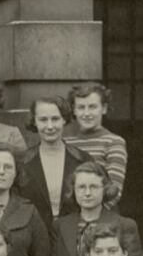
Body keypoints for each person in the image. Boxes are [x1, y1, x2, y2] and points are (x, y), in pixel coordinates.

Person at [20, 95, 91, 232]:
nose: (50, 126)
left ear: (64, 119)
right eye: (43, 120)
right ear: (34, 121)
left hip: (74, 234)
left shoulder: (82, 159)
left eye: (55, 119)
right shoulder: (23, 162)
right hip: (34, 234)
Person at [63, 83, 128, 206]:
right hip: (67, 215)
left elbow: (114, 191)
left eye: (92, 107)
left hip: (100, 215)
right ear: (74, 110)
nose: (87, 113)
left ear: (104, 108)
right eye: (81, 107)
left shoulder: (113, 142)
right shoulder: (66, 141)